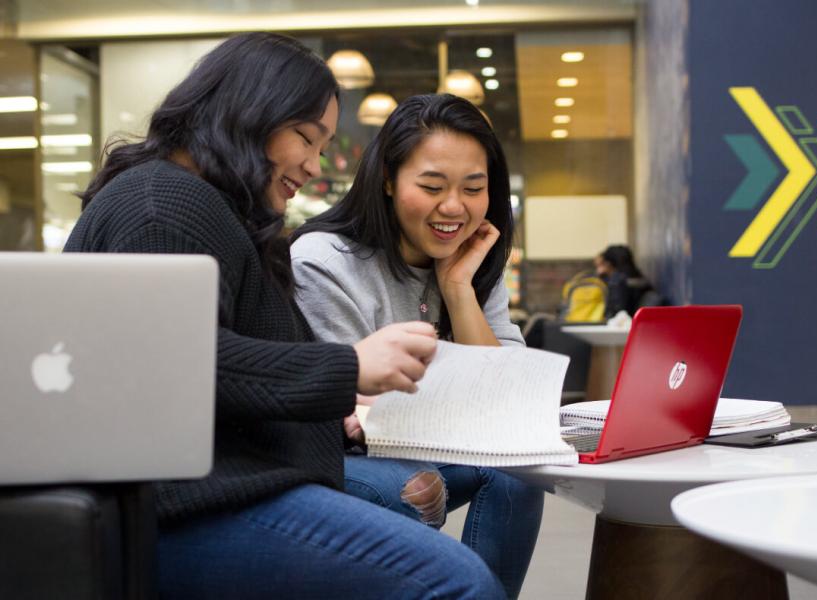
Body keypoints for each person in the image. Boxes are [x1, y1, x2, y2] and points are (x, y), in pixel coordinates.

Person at [63, 33, 506, 599]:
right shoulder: (164, 206)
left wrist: (346, 388)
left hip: (221, 488)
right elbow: (169, 365)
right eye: (305, 138)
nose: (313, 167)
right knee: (457, 581)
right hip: (187, 504)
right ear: (249, 113)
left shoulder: (199, 206)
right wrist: (347, 368)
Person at [290, 93, 544, 598]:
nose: (454, 207)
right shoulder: (323, 261)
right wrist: (456, 395)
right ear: (387, 179)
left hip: (430, 440)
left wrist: (458, 290)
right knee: (412, 488)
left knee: (521, 471)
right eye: (431, 186)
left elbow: (508, 401)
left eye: (474, 188)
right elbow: (356, 414)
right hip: (341, 455)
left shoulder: (474, 260)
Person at [595, 244, 655, 318]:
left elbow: (616, 312)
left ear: (609, 263)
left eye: (602, 264)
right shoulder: (636, 278)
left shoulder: (618, 282)